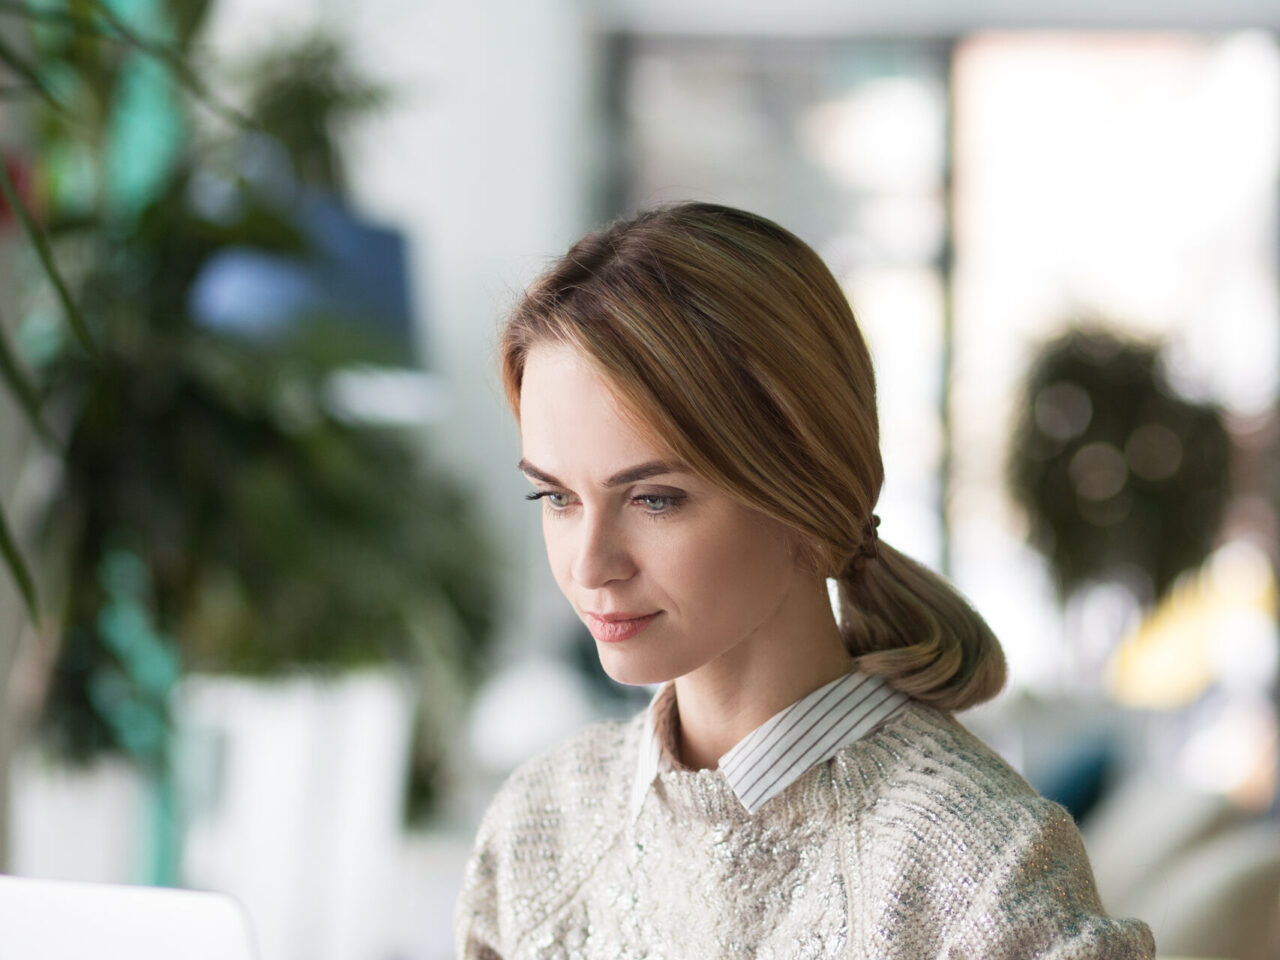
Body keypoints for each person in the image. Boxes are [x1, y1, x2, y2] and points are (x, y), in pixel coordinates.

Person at [455, 202, 1155, 958]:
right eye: (556, 497)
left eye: (655, 499)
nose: (589, 564)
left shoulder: (980, 869)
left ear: (804, 499)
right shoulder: (539, 825)